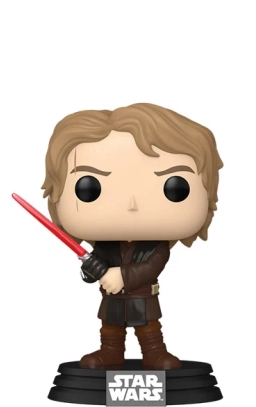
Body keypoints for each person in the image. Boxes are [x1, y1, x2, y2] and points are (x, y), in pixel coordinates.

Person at [42, 103, 222, 369]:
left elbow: (151, 267)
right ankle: (110, 354)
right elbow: (94, 265)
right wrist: (90, 270)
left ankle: (155, 354)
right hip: (112, 298)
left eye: (175, 188)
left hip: (142, 297)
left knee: (149, 328)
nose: (132, 204)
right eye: (89, 188)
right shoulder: (105, 244)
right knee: (110, 329)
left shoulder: (156, 246)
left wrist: (122, 276)